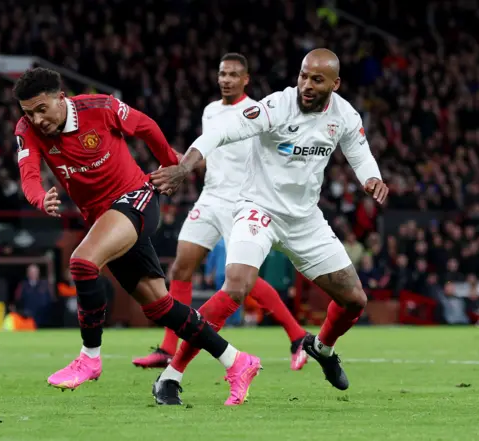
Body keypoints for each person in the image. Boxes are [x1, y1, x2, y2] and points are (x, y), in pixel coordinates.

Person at [151, 49, 389, 403]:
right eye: (303, 76)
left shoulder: (345, 115)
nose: (306, 85)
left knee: (354, 299)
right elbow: (221, 132)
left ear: (335, 84)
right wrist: (185, 168)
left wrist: (372, 178)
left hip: (305, 219)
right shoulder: (276, 107)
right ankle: (171, 376)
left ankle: (321, 348)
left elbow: (359, 151)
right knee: (235, 287)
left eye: (316, 80)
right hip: (258, 210)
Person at [13, 67, 261, 405]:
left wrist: (169, 164)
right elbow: (28, 176)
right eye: (29, 112)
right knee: (160, 307)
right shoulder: (26, 129)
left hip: (136, 197)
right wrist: (40, 197)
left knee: (83, 263)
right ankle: (237, 360)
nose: (37, 119)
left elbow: (145, 126)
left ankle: (89, 357)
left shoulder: (99, 107)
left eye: (42, 109)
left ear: (61, 98)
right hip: (105, 218)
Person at [133, 54, 309, 379]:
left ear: (246, 80)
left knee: (245, 281)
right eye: (222, 74)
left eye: (233, 75)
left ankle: (297, 336)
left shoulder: (258, 112)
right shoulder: (210, 111)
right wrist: (177, 162)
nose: (226, 79)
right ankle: (168, 348)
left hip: (240, 202)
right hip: (209, 197)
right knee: (181, 267)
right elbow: (209, 156)